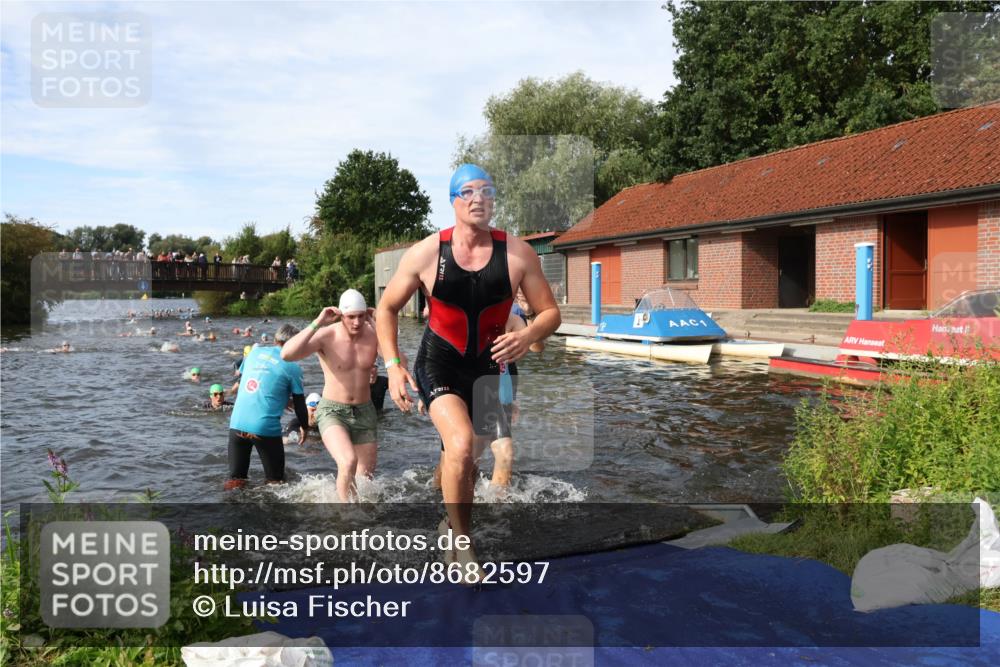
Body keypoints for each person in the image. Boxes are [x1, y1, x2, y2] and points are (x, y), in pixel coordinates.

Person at [375, 164, 560, 576]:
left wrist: (527, 336)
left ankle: (448, 520)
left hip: (489, 366)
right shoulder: (427, 252)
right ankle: (462, 544)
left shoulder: (517, 253)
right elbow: (386, 308)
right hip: (438, 360)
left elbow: (551, 313)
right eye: (468, 192)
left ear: (494, 200)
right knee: (460, 445)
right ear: (454, 201)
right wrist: (393, 366)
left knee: (470, 457)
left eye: (486, 191)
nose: (478, 199)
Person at [281, 289, 381, 502]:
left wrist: (376, 323)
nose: (356, 322)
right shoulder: (327, 335)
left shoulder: (373, 334)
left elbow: (398, 359)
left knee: (365, 478)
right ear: (341, 315)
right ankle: (346, 518)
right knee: (347, 462)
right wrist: (318, 322)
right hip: (333, 410)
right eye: (350, 317)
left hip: (365, 411)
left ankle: (361, 514)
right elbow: (287, 354)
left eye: (361, 316)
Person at [225, 324, 308, 490]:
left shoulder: (254, 353)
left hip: (237, 423)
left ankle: (230, 509)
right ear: (295, 344)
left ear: (276, 339)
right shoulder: (292, 366)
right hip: (264, 428)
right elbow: (299, 403)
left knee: (236, 479)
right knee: (276, 482)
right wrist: (304, 426)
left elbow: (252, 380)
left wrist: (280, 398)